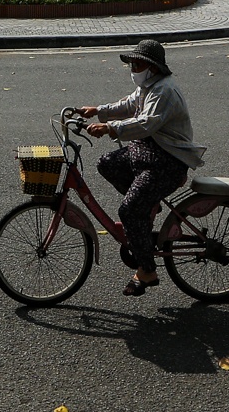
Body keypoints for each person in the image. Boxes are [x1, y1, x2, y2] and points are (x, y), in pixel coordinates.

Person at [82, 39, 206, 296]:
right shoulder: (148, 86)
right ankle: (148, 205)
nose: (133, 69)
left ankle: (147, 271)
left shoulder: (164, 91)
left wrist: (109, 128)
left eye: (137, 65)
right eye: (132, 64)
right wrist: (98, 111)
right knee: (107, 164)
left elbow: (145, 124)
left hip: (167, 162)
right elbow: (129, 104)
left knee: (129, 211)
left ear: (153, 67)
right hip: (147, 154)